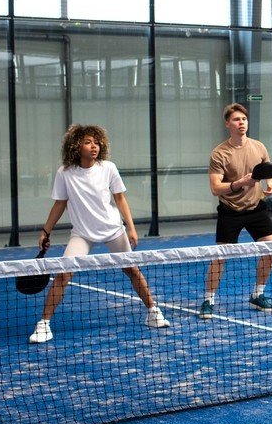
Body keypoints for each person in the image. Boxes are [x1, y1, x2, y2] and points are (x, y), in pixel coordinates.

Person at [30, 125, 169, 344]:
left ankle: (153, 311)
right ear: (76, 146)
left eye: (96, 142)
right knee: (64, 274)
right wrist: (46, 231)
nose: (94, 146)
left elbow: (120, 199)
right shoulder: (64, 173)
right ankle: (44, 324)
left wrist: (131, 228)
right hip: (82, 234)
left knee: (132, 269)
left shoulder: (108, 168)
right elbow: (59, 204)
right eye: (88, 142)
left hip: (113, 229)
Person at [201, 103, 272, 319]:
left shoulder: (259, 147)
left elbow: (269, 171)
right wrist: (239, 184)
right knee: (220, 257)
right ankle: (208, 299)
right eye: (236, 120)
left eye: (243, 119)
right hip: (230, 210)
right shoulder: (219, 154)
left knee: (271, 250)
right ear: (228, 124)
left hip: (256, 208)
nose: (241, 123)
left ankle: (258, 294)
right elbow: (216, 188)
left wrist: (270, 184)